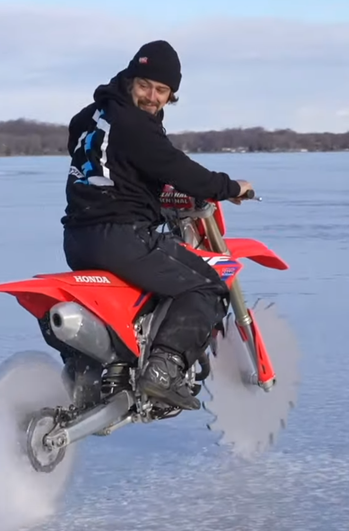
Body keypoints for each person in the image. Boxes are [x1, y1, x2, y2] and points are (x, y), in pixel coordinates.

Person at [61, 39, 255, 411]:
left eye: (162, 90)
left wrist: (133, 182)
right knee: (207, 286)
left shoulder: (95, 114)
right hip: (122, 238)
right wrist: (230, 187)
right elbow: (177, 168)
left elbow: (92, 146)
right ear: (131, 80)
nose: (152, 96)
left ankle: (106, 370)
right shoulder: (134, 124)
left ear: (171, 95)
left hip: (78, 238)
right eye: (145, 85)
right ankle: (162, 372)